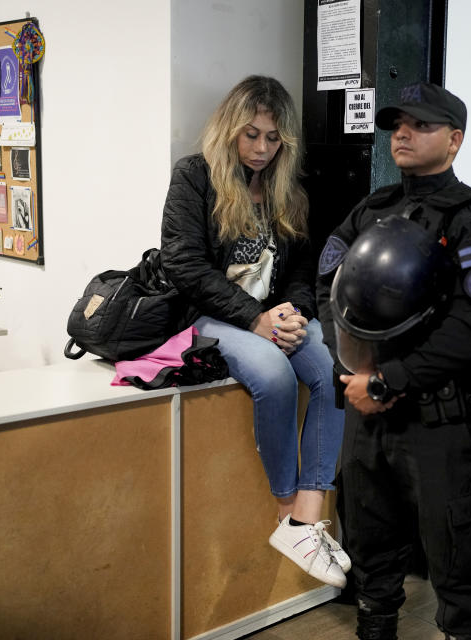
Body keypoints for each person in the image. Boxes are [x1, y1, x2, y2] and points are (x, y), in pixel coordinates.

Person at [316, 82, 471, 640]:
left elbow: (470, 326)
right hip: (367, 414)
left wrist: (390, 379)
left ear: (454, 140)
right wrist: (350, 370)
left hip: (438, 420)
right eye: (397, 123)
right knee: (371, 553)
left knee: (458, 559)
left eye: (421, 125)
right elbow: (325, 284)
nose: (402, 133)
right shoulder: (372, 209)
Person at [160, 75, 348, 588]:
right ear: (229, 130)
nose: (262, 148)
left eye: (273, 137)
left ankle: (306, 518)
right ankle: (288, 508)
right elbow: (184, 264)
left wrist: (297, 313)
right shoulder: (195, 176)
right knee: (275, 375)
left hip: (271, 314)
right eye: (251, 135)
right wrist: (255, 320)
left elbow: (302, 265)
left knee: (335, 371)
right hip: (208, 314)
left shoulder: (287, 188)